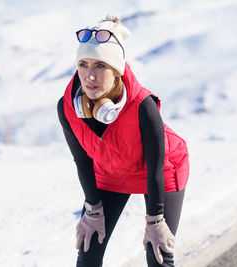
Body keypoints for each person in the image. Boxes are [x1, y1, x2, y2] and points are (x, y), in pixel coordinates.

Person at [57, 16, 189, 267]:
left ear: (117, 70)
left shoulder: (143, 106)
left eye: (100, 66)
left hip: (162, 169)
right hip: (110, 171)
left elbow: (156, 167)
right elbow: (82, 160)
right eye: (83, 64)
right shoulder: (68, 108)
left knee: (158, 253)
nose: (90, 76)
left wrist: (155, 220)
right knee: (88, 251)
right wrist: (92, 209)